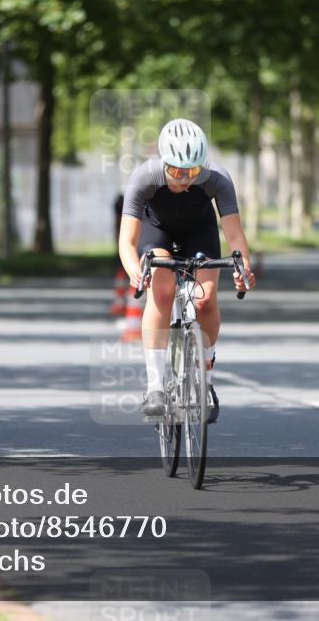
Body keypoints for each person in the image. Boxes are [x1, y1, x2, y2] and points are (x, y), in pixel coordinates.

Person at [118, 118, 255, 421]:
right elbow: (127, 241)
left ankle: (205, 375)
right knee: (163, 291)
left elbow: (234, 236)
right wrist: (134, 271)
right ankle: (155, 386)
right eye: (177, 171)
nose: (185, 179)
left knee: (205, 300)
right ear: (163, 162)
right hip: (159, 233)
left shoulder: (217, 177)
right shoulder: (145, 177)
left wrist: (242, 268)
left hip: (199, 232)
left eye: (193, 171)